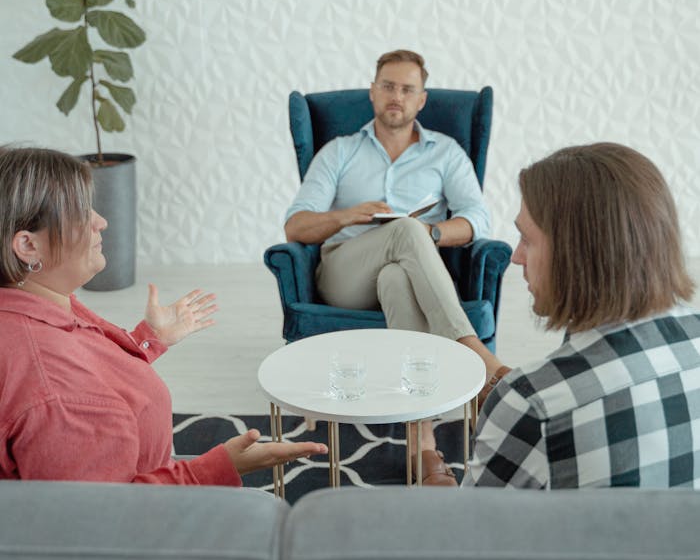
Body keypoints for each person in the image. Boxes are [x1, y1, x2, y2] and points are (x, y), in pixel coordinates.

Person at [0, 145, 327, 485]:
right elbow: (101, 519)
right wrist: (220, 467)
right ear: (27, 246)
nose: (101, 221)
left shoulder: (31, 301)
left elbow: (87, 370)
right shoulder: (59, 394)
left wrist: (148, 340)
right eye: (81, 212)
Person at [284, 49, 510, 485]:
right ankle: (480, 358)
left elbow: (477, 220)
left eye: (407, 89)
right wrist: (348, 216)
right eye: (388, 86)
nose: (396, 96)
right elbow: (296, 226)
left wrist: (434, 235)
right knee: (406, 230)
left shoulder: (446, 153)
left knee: (398, 271)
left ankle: (423, 447)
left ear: (421, 100)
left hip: (411, 270)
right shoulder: (340, 152)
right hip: (344, 273)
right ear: (372, 92)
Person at [464, 142, 699, 488]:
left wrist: (428, 463)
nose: (516, 257)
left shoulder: (531, 405)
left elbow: (463, 536)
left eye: (527, 239)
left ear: (575, 255)